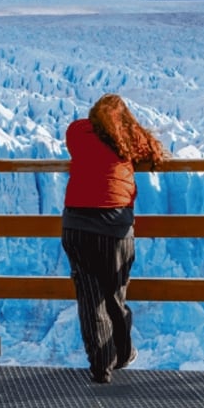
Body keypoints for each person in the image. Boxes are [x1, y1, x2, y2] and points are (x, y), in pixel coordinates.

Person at [62, 93, 166, 384]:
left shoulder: (77, 131)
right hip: (115, 229)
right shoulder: (129, 138)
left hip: (77, 226)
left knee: (90, 298)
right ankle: (122, 354)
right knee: (115, 296)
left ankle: (101, 366)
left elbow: (74, 139)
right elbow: (149, 150)